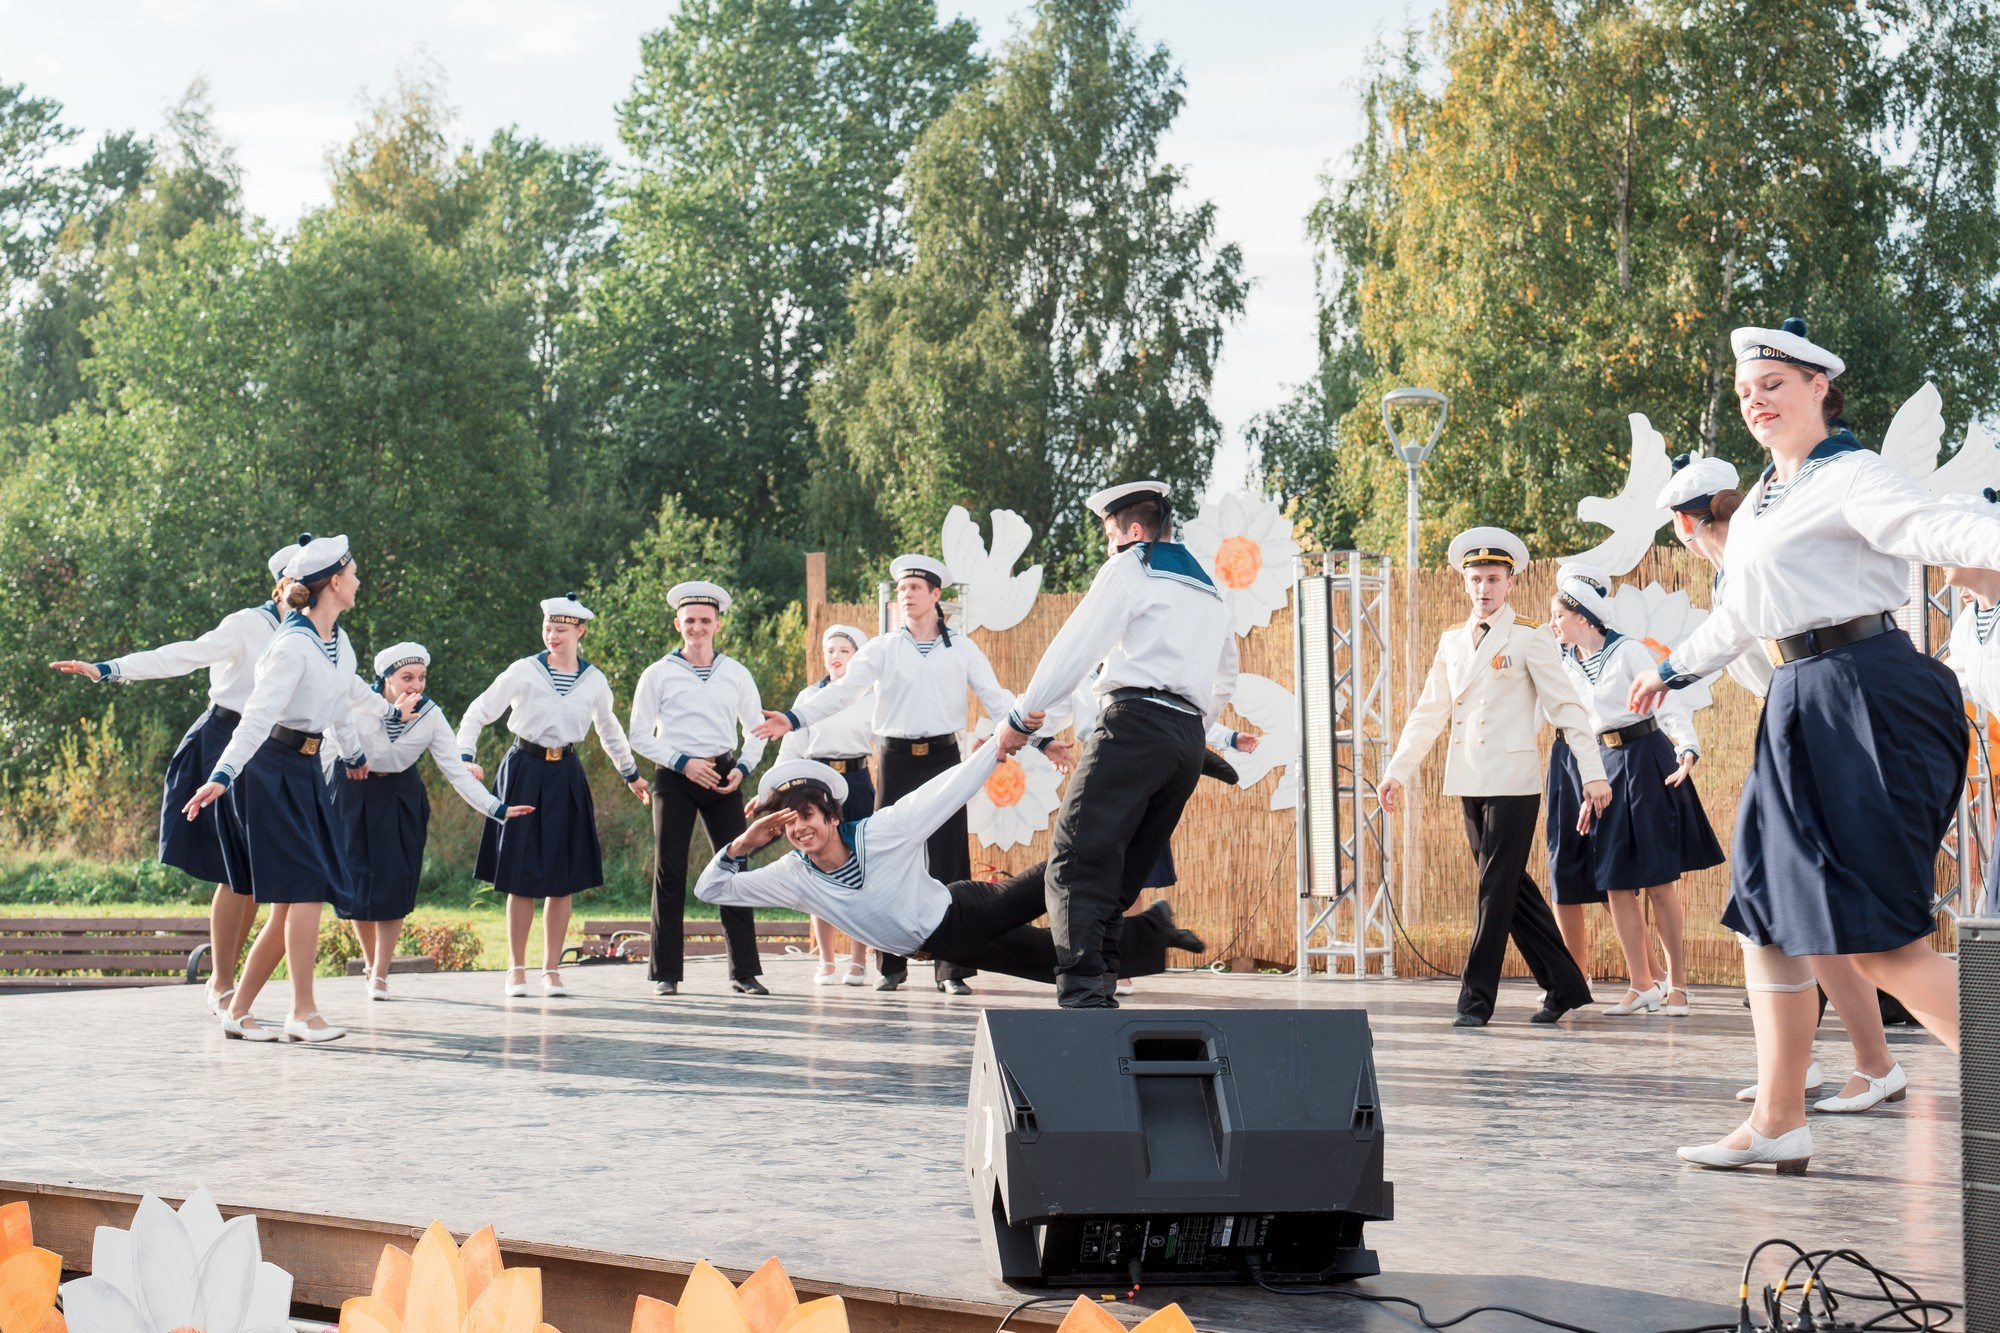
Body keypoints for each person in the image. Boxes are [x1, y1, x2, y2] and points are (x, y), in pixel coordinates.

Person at [1633, 317, 2000, 1171]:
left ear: (1817, 387)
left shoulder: (1851, 474)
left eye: (1773, 384)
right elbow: (1742, 611)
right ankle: (1777, 1120)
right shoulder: (1767, 494)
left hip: (1868, 696)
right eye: (1745, 391)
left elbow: (1933, 527)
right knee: (1765, 910)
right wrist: (1674, 669)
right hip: (1800, 700)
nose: (1755, 401)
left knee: (1879, 940)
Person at [1661, 453, 1904, 1113]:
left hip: (1819, 736)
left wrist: (1666, 672)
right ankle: (1801, 1065)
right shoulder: (1741, 564)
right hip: (1802, 734)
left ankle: (1870, 1062)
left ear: (1684, 524)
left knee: (1802, 907)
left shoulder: (1754, 561)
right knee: (1778, 911)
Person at [992, 482, 1237, 1009]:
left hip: (1133, 727)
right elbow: (1225, 679)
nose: (1109, 548)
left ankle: (1084, 992)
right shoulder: (1211, 586)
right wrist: (1191, 729)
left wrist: (1022, 716)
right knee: (1122, 871)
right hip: (1185, 741)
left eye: (1110, 536)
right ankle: (1102, 978)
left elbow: (1076, 646)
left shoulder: (1130, 567)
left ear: (1134, 531)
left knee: (1075, 861)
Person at [48, 540, 303, 1016]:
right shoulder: (248, 624)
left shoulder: (313, 633)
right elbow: (182, 655)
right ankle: (221, 983)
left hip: (269, 752)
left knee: (254, 874)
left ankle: (229, 982)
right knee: (235, 872)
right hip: (222, 740)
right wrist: (109, 669)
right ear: (287, 582)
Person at [694, 750, 1209, 985]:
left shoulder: (881, 831)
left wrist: (998, 749)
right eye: (789, 824)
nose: (801, 829)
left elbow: (944, 792)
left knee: (1064, 871)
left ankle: (1138, 797)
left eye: (808, 816)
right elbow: (711, 889)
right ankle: (1155, 930)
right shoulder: (793, 875)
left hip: (964, 911)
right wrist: (742, 844)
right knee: (1058, 963)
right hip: (947, 945)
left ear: (831, 816)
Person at [184, 535, 415, 1043]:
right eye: (353, 575)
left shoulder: (336, 641)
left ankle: (241, 1011)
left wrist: (369, 736)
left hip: (306, 768)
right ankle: (302, 1012)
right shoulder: (290, 646)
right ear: (333, 583)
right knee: (307, 887)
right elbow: (255, 718)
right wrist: (221, 776)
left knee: (295, 899)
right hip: (269, 770)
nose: (358, 582)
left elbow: (347, 697)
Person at [755, 555, 1015, 996]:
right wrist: (794, 719)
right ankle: (890, 966)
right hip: (895, 760)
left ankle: (953, 969)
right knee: (884, 857)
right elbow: (842, 693)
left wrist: (1042, 740)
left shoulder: (962, 648)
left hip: (944, 757)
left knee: (950, 859)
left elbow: (996, 699)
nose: (906, 595)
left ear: (935, 595)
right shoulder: (882, 648)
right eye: (901, 589)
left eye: (915, 588)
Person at [1379, 526, 1607, 1027]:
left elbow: (1567, 708)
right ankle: (1565, 986)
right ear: (1466, 583)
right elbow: (1428, 712)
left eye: (1493, 579)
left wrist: (1593, 773)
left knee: (1493, 891)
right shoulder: (1451, 641)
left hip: (1513, 783)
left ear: (1510, 583)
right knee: (1510, 891)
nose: (1484, 588)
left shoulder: (1529, 636)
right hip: (1469, 780)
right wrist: (1397, 770)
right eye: (1476, 579)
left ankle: (1475, 1000)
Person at [1543, 565, 1723, 1017]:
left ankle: (1678, 986)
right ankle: (1641, 984)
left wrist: (1686, 747)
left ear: (1582, 617)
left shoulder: (1628, 652)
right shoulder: (1563, 662)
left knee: (1659, 881)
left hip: (1645, 761)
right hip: (1601, 767)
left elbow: (1667, 700)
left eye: (1558, 615)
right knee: (1616, 882)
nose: (1552, 623)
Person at [457, 593, 650, 999]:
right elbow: (478, 711)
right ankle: (516, 969)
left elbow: (609, 729)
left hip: (566, 775)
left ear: (580, 632)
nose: (552, 635)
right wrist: (465, 757)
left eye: (561, 629)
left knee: (562, 880)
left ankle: (551, 970)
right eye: (548, 628)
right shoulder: (524, 671)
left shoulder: (594, 679)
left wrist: (631, 774)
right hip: (523, 772)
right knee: (521, 878)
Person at [333, 643, 534, 1000]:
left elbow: (455, 771)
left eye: (421, 678)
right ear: (385, 678)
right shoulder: (357, 703)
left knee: (395, 882)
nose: (416, 686)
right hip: (353, 791)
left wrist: (498, 809)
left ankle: (380, 974)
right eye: (406, 678)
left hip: (401, 797)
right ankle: (370, 962)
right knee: (356, 884)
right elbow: (329, 741)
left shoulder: (431, 714)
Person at [627, 581, 771, 997]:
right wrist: (682, 763)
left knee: (734, 868)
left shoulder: (735, 672)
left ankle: (743, 972)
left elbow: (757, 729)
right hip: (675, 776)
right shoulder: (658, 673)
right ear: (678, 624)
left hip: (722, 776)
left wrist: (743, 767)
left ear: (717, 625)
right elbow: (639, 734)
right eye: (689, 620)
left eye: (705, 620)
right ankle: (665, 973)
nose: (697, 627)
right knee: (670, 870)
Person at [777, 624, 877, 986]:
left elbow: (884, 743)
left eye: (844, 651)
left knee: (860, 867)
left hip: (857, 782)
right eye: (830, 650)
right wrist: (773, 790)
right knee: (816, 866)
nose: (835, 657)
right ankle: (826, 959)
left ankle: (859, 960)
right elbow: (790, 748)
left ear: (858, 657)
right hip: (815, 786)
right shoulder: (809, 696)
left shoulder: (870, 696)